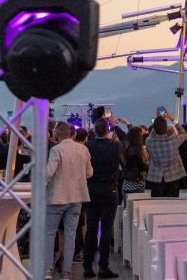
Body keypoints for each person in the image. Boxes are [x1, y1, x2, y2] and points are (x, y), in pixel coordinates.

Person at [45, 120, 93, 280]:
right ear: (72, 134)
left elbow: (48, 173)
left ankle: (48, 270)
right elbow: (89, 173)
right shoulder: (83, 149)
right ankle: (67, 272)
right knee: (71, 234)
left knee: (50, 233)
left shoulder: (56, 150)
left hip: (57, 197)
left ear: (56, 134)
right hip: (77, 197)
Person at [82, 118, 121, 279]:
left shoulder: (88, 146)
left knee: (91, 228)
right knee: (105, 229)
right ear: (108, 130)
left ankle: (87, 266)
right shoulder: (115, 146)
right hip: (109, 190)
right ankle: (103, 267)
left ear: (94, 130)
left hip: (91, 190)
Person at [145, 109, 187, 197]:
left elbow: (152, 134)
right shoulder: (174, 141)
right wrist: (172, 119)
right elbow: (184, 133)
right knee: (172, 208)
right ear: (166, 127)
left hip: (157, 180)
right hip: (173, 179)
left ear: (154, 128)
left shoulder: (149, 142)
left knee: (156, 208)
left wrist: (158, 121)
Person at [121, 126, 149, 197]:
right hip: (137, 184)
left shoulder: (125, 149)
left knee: (126, 207)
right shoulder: (138, 151)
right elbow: (141, 166)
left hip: (126, 183)